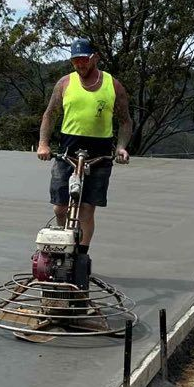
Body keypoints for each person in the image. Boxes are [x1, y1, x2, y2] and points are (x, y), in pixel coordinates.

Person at [36, 37, 132, 250]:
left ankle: (81, 255)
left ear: (94, 58)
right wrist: (43, 143)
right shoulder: (65, 83)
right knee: (60, 208)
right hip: (68, 149)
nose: (80, 65)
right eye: (75, 61)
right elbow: (50, 114)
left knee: (87, 209)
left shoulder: (113, 85)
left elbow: (125, 120)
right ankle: (65, 244)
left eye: (84, 60)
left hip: (99, 152)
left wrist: (121, 147)